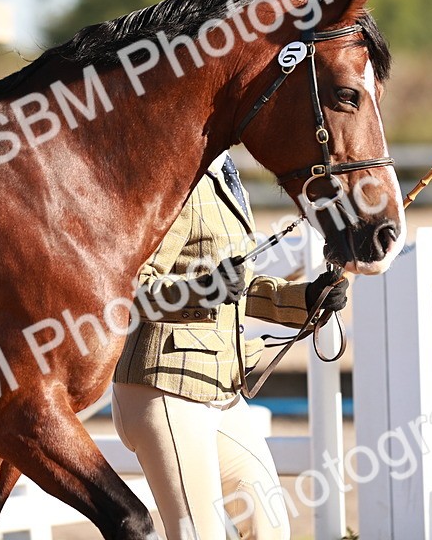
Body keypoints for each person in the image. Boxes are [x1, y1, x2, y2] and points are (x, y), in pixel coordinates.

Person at [112, 152, 347, 540]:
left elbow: (237, 289)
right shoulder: (172, 178)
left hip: (221, 387)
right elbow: (130, 290)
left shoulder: (227, 173)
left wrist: (307, 298)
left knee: (269, 527)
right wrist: (202, 291)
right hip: (164, 385)